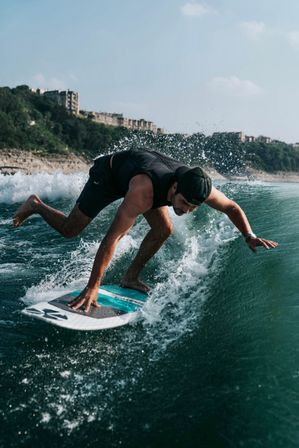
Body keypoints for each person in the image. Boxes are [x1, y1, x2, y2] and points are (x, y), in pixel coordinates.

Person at [13, 149, 278, 312]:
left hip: (143, 173)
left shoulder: (198, 188)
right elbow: (112, 238)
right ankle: (36, 204)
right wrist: (92, 287)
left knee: (163, 229)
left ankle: (130, 277)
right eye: (183, 203)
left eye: (192, 207)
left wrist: (249, 235)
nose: (186, 209)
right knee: (71, 230)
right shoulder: (144, 191)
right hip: (109, 176)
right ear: (174, 189)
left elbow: (231, 207)